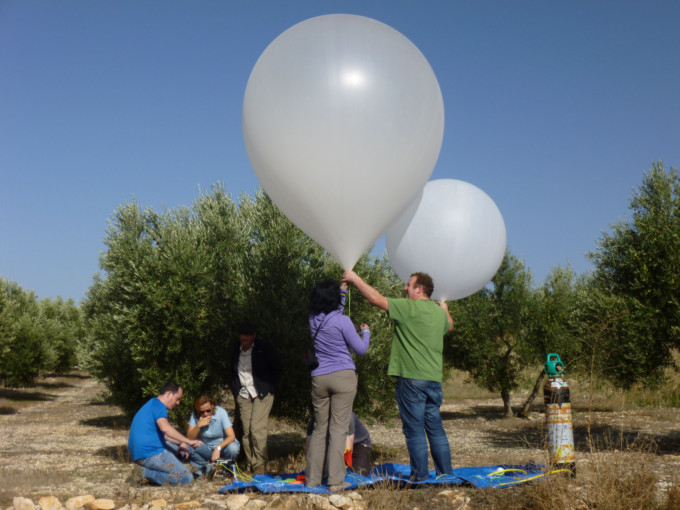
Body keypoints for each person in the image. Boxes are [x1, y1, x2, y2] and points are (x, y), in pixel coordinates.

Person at [342, 270, 454, 481]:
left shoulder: (408, 308)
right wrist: (446, 310)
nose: (405, 288)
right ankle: (446, 475)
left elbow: (376, 299)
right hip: (434, 381)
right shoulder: (438, 313)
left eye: (409, 285)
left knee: (414, 431)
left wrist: (354, 278)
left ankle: (419, 477)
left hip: (411, 379)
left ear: (419, 289)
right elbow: (450, 326)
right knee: (436, 429)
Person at [305, 279, 370, 491]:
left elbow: (330, 315)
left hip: (319, 379)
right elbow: (361, 350)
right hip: (343, 377)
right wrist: (366, 333)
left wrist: (342, 293)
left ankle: (312, 480)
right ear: (333, 299)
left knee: (319, 429)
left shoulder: (313, 320)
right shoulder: (343, 321)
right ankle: (335, 481)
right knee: (339, 429)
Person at [230, 321, 282, 475]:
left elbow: (277, 367)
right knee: (247, 431)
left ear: (254, 336)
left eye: (247, 339)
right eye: (242, 340)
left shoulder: (263, 347)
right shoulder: (236, 349)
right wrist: (236, 390)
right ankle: (250, 463)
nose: (244, 342)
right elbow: (232, 370)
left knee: (257, 428)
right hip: (244, 394)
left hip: (262, 393)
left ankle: (260, 465)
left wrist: (270, 387)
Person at [127, 382, 202, 485]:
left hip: (141, 452)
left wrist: (182, 443)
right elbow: (165, 428)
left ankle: (200, 470)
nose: (178, 403)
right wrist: (188, 441)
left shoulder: (153, 403)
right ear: (169, 394)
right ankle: (145, 473)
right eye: (177, 398)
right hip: (151, 453)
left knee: (185, 448)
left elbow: (165, 435)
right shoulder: (159, 406)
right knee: (186, 479)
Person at [185, 393, 240, 477]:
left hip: (223, 448)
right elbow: (189, 438)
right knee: (188, 446)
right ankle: (207, 469)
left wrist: (218, 448)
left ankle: (226, 468)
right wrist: (198, 426)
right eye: (202, 412)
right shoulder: (195, 415)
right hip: (208, 448)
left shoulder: (221, 413)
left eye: (208, 411)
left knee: (233, 448)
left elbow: (231, 436)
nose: (205, 414)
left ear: (212, 406)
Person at [306, 411, 372, 476]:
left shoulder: (348, 417)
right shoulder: (314, 420)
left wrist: (342, 467)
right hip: (336, 443)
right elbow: (309, 447)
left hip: (359, 444)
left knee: (358, 475)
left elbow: (348, 448)